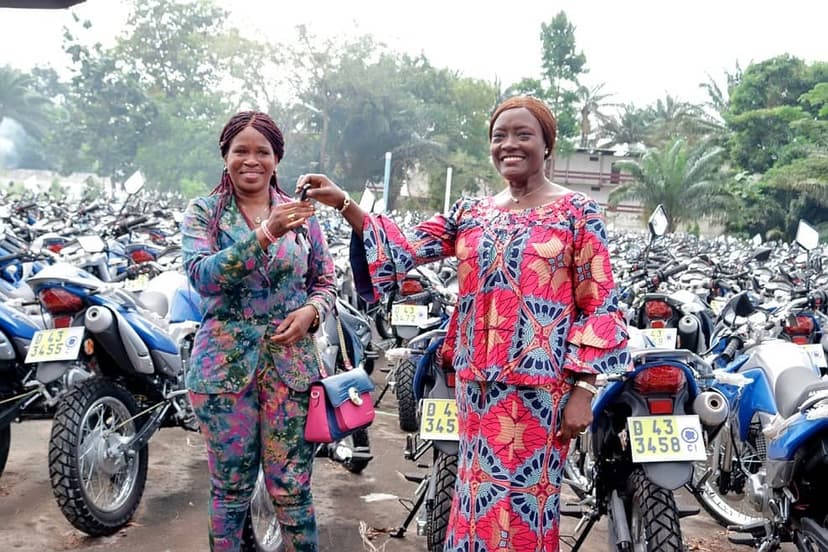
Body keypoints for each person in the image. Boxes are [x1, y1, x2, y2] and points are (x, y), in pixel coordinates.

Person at [297, 95, 630, 551]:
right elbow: (403, 248)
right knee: (474, 500)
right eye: (499, 136)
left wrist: (584, 390)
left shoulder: (577, 212)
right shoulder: (471, 212)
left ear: (547, 145)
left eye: (523, 135)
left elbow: (600, 302)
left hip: (540, 393)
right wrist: (345, 204)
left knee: (526, 510)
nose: (509, 144)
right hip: (476, 388)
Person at [181, 110, 336, 552]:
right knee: (230, 490)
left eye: (262, 152)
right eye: (240, 151)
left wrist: (311, 312)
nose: (251, 160)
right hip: (222, 372)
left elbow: (325, 281)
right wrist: (266, 233)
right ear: (225, 156)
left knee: (292, 488)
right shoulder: (204, 213)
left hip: (291, 371)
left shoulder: (302, 215)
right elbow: (203, 276)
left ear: (276, 158)